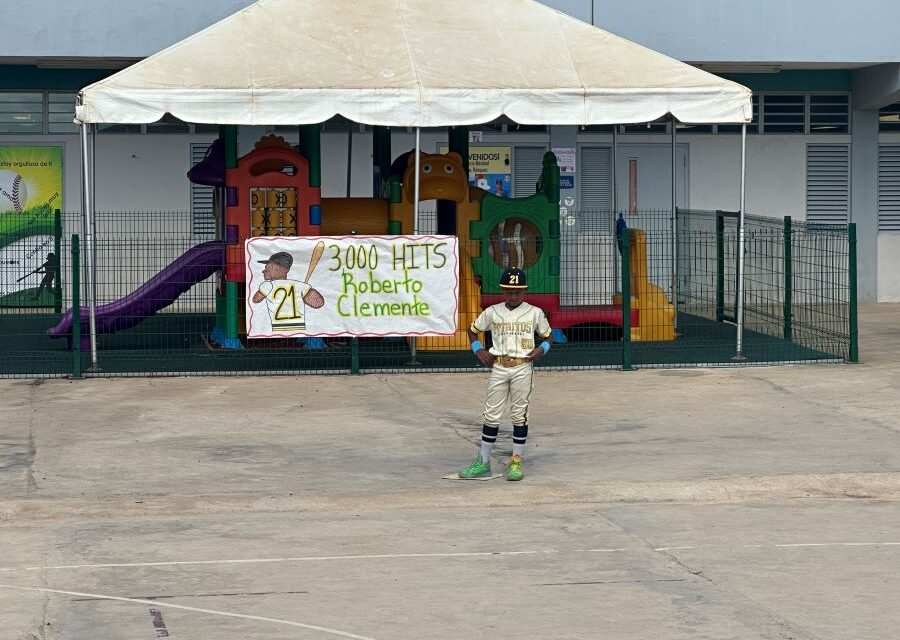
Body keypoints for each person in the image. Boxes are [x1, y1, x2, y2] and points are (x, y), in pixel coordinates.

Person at [458, 267, 552, 481]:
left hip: (522, 365)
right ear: (502, 290)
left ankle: (516, 461)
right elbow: (472, 330)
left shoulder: (534, 312)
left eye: (517, 291)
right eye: (509, 291)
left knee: (519, 415)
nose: (513, 295)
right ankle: (483, 462)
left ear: (525, 291)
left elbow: (548, 336)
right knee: (491, 413)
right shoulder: (493, 311)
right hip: (499, 366)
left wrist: (542, 349)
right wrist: (478, 349)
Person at [252, 251, 324, 333]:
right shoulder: (300, 286)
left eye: (268, 267)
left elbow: (256, 299)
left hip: (277, 327)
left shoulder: (267, 286)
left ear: (282, 269)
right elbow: (318, 303)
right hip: (299, 328)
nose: (264, 271)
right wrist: (304, 289)